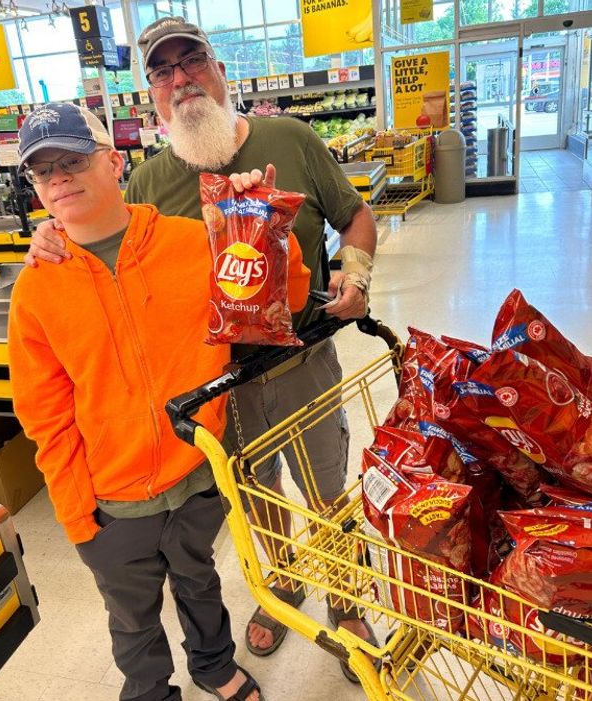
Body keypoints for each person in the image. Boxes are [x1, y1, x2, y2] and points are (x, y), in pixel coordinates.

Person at [22, 15, 381, 680]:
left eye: (191, 62)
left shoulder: (290, 138)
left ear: (219, 72)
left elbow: (354, 213)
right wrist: (46, 237)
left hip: (300, 361)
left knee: (328, 488)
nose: (179, 78)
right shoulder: (148, 181)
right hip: (216, 390)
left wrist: (353, 273)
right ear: (151, 94)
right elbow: (101, 241)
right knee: (255, 498)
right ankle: (282, 588)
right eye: (161, 71)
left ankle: (348, 598)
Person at [8, 100, 312, 701]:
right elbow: (44, 414)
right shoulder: (37, 289)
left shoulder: (192, 242)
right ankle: (149, 690)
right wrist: (76, 515)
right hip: (111, 500)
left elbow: (288, 296)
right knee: (131, 616)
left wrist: (258, 223)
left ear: (114, 162)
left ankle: (214, 667)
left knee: (200, 583)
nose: (60, 178)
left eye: (73, 160)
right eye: (44, 171)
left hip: (198, 474)